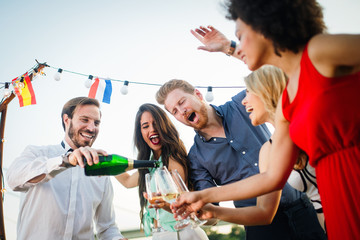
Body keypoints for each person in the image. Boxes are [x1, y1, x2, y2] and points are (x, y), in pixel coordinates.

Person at [173, 0, 360, 239]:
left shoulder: (318, 52)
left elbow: (272, 75)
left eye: (240, 36)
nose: (239, 45)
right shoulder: (287, 107)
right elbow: (270, 179)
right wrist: (202, 197)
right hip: (339, 216)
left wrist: (228, 48)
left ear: (265, 29)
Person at [156, 79, 325, 239]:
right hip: (260, 226)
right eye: (175, 112)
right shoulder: (196, 158)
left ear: (198, 95)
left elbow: (270, 83)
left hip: (303, 209)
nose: (181, 111)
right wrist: (193, 210)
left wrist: (231, 49)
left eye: (182, 102)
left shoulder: (242, 103)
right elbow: (211, 214)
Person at [194, 65, 326, 235]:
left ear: (265, 90)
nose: (243, 100)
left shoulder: (307, 124)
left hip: (323, 212)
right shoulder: (269, 149)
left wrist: (230, 49)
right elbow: (266, 184)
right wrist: (204, 202)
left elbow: (289, 68)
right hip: (323, 223)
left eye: (248, 91)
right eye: (173, 110)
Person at [6, 97, 127, 240]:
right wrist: (66, 161)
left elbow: (107, 228)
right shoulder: (37, 153)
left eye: (96, 123)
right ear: (66, 120)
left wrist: (117, 238)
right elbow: (13, 179)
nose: (91, 128)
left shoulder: (101, 173)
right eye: (84, 119)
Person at [114, 103, 208, 240]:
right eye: (145, 126)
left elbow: (182, 204)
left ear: (165, 126)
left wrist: (164, 205)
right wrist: (104, 165)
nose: (152, 129)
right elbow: (128, 182)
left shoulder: (172, 159)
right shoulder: (152, 162)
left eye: (156, 124)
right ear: (140, 133)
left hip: (181, 233)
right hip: (162, 234)